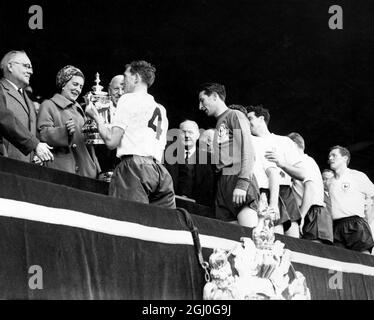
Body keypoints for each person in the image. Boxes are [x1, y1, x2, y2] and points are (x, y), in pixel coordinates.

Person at [85, 60, 175, 208]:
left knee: (128, 221)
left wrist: (96, 117)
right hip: (160, 172)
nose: (123, 84)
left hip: (134, 168)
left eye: (125, 77)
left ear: (136, 78)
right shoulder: (161, 109)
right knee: (161, 225)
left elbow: (111, 141)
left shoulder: (128, 99)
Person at [198, 82, 258, 226]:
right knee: (228, 237)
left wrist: (243, 183)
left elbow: (248, 149)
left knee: (248, 236)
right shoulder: (220, 122)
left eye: (202, 100)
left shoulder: (234, 115)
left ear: (214, 96)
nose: (200, 107)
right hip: (222, 181)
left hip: (237, 176)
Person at [247, 105, 303, 237]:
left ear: (261, 118)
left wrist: (282, 163)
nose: (247, 123)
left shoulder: (284, 141)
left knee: (292, 242)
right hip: (261, 192)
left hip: (285, 193)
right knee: (266, 238)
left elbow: (302, 174)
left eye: (250, 118)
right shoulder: (250, 140)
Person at [37, 65, 100, 178]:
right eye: (75, 84)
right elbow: (42, 134)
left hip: (86, 169)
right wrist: (64, 132)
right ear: (63, 84)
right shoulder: (48, 105)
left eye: (81, 86)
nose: (78, 89)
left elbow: (88, 143)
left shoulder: (79, 109)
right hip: (63, 169)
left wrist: (96, 167)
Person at [269, 132, 333, 243]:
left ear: (292, 145)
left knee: (312, 252)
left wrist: (301, 216)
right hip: (303, 209)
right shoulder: (295, 164)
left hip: (312, 211)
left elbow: (310, 188)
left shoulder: (304, 161)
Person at [0, 50, 53, 162]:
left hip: (24, 168)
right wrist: (35, 145)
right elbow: (4, 118)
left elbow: (31, 131)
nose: (31, 71)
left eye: (31, 68)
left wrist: (36, 153)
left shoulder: (28, 99)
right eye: (27, 66)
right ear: (10, 66)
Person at [326, 145, 374, 253]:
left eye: (334, 155)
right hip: (336, 226)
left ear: (345, 158)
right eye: (329, 156)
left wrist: (369, 217)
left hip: (356, 223)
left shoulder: (357, 176)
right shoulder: (329, 182)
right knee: (338, 263)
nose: (330, 158)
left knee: (364, 258)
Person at [164, 120, 215, 207]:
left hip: (198, 209)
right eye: (183, 132)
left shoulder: (209, 159)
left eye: (190, 132)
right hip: (170, 205)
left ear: (198, 135)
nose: (187, 136)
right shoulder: (167, 155)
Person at [95, 75, 125, 177]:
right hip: (101, 169)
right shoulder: (99, 109)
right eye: (116, 89)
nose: (120, 93)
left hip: (124, 171)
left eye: (123, 89)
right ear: (109, 89)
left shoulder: (132, 112)